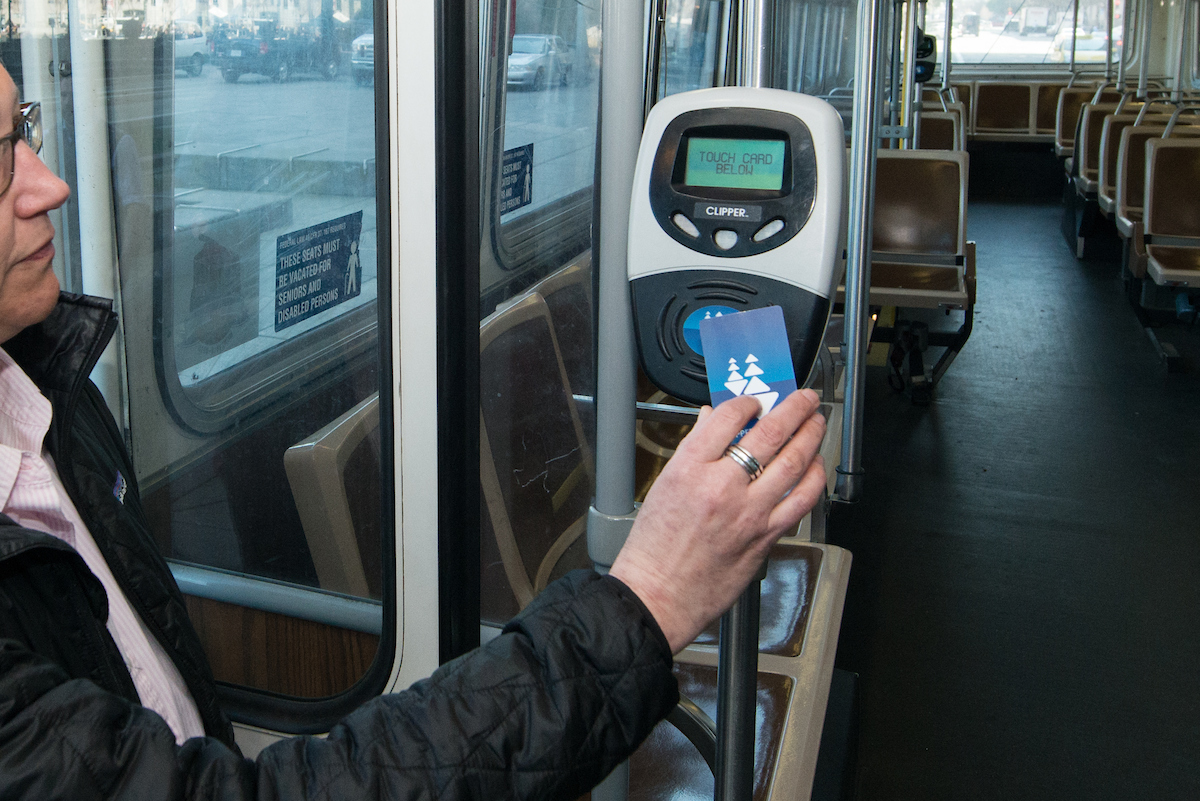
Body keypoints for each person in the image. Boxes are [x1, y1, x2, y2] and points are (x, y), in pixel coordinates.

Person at [0, 61, 829, 800]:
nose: (48, 187)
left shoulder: (50, 400)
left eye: (23, 131)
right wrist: (649, 599)